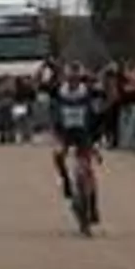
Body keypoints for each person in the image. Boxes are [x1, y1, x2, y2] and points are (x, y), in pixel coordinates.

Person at [51, 62, 103, 221]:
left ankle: (92, 206)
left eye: (76, 78)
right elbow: (38, 85)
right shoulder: (59, 91)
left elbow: (107, 97)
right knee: (58, 155)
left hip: (83, 133)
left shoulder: (88, 92)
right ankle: (66, 181)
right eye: (70, 78)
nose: (73, 82)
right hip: (64, 133)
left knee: (87, 169)